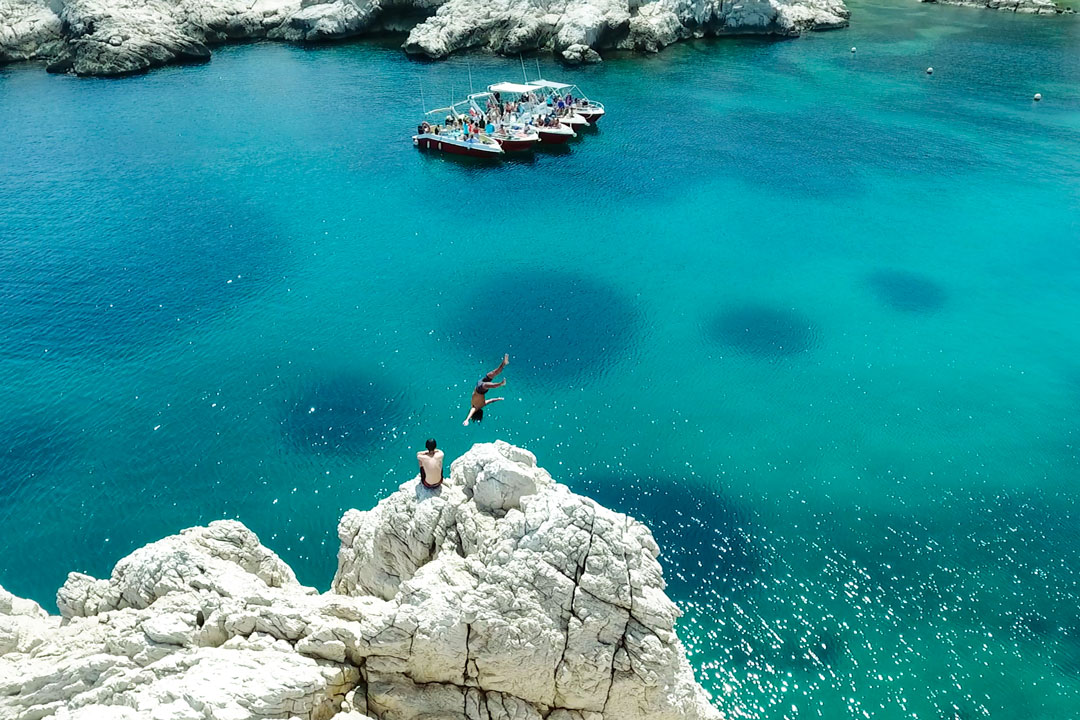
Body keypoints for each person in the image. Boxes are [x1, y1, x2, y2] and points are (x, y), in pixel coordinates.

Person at [463, 354, 509, 426]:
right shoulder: (475, 407)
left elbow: (491, 401)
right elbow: (471, 412)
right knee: (488, 384)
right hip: (480, 389)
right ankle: (500, 384)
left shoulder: (482, 404)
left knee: (494, 373)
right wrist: (466, 419)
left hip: (480, 382)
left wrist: (498, 398)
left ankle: (504, 363)